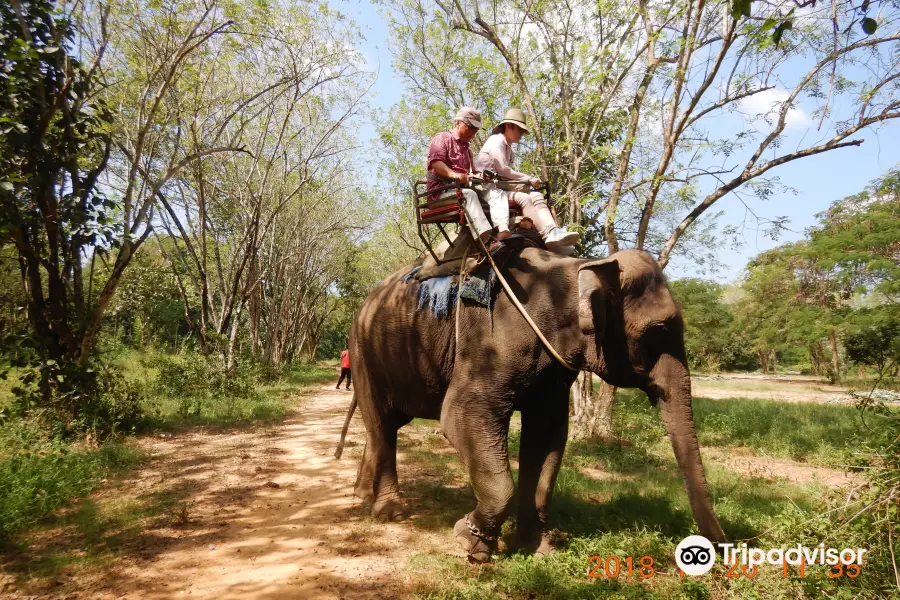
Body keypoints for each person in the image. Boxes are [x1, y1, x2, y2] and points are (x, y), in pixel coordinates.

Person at [476, 108, 580, 253]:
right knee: (524, 197)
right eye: (519, 130)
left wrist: (528, 182)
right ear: (508, 126)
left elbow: (506, 176)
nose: (521, 134)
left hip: (502, 187)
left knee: (536, 194)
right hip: (490, 190)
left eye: (523, 131)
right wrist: (528, 179)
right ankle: (545, 234)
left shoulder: (509, 150)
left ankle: (553, 231)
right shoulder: (496, 141)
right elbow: (503, 170)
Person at [427, 107, 512, 256]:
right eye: (471, 127)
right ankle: (486, 241)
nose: (474, 132)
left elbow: (472, 173)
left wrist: (482, 176)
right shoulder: (442, 139)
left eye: (476, 129)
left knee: (495, 192)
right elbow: (436, 164)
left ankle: (503, 230)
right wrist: (455, 175)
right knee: (469, 195)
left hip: (462, 190)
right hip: (440, 193)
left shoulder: (467, 149)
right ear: (458, 122)